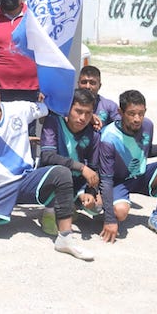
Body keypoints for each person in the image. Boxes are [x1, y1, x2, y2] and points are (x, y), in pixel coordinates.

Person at [0, 77, 94, 261]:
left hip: (25, 180)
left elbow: (53, 107)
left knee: (61, 173)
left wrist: (91, 117)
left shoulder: (18, 109)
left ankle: (65, 238)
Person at [98, 89, 157, 243]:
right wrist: (110, 220)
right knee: (120, 213)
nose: (137, 119)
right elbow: (106, 180)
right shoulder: (109, 137)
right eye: (131, 113)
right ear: (120, 112)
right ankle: (105, 206)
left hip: (140, 175)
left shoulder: (147, 125)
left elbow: (145, 150)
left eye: (141, 113)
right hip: (118, 182)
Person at [39, 89, 102, 234]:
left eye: (88, 113)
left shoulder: (93, 133)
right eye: (78, 111)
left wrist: (90, 192)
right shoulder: (53, 121)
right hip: (53, 178)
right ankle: (49, 212)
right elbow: (47, 156)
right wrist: (81, 168)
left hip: (77, 182)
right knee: (60, 172)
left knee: (97, 207)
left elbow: (93, 167)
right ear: (68, 108)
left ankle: (71, 203)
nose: (82, 118)